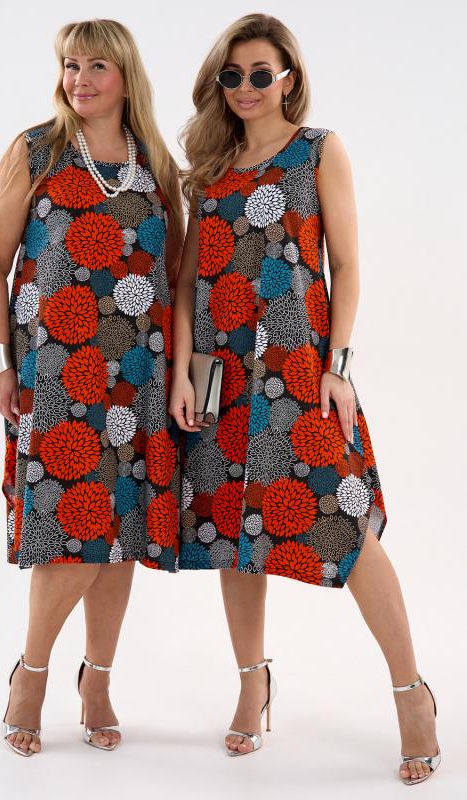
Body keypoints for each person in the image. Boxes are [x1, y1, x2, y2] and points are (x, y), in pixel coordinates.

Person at [169, 13, 440, 785]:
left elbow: (345, 265)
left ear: (287, 77)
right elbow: (185, 283)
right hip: (220, 376)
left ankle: (410, 692)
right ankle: (252, 686)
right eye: (232, 75)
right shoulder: (207, 168)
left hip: (296, 367)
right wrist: (183, 370)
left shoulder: (318, 150)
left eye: (260, 73)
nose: (246, 87)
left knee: (343, 522)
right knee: (232, 526)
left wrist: (338, 367)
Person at [0, 18, 183, 756]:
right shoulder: (37, 150)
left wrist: (180, 373)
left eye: (96, 65)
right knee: (68, 534)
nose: (80, 79)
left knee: (119, 534)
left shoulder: (155, 161)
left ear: (126, 75)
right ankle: (30, 675)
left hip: (139, 378)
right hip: (56, 376)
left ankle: (97, 681)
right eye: (70, 64)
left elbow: (173, 275)